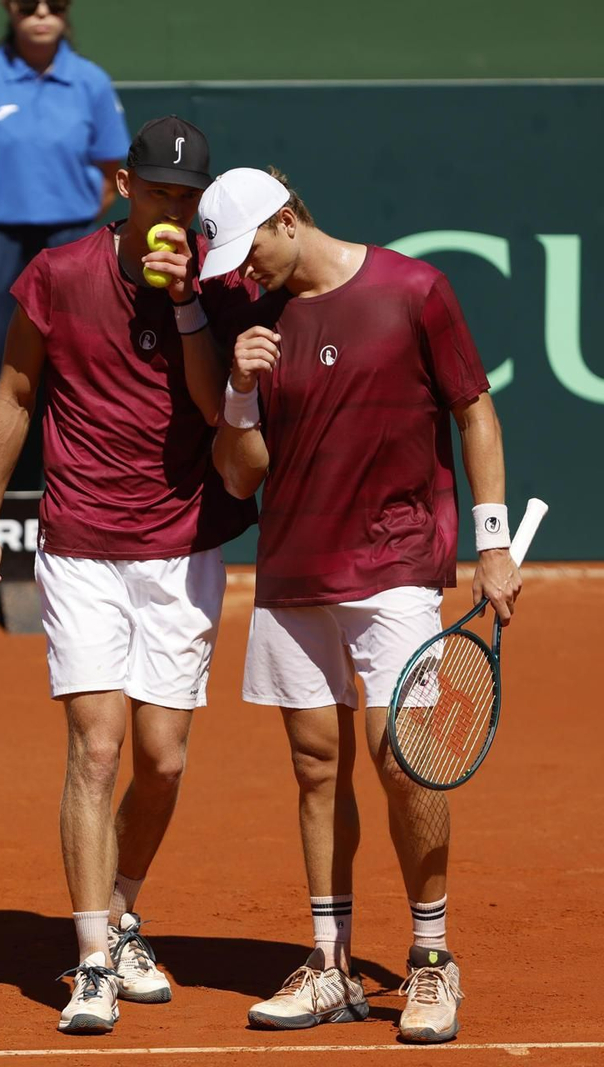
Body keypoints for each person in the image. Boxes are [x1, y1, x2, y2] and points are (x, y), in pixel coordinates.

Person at [201, 166, 521, 1044]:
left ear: (287, 217)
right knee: (314, 766)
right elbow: (240, 475)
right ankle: (332, 962)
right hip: (292, 576)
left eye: (249, 249)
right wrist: (237, 393)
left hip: (393, 571)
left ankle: (429, 960)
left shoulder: (415, 289)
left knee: (403, 761)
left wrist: (491, 541)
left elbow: (475, 410)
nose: (242, 272)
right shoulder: (254, 325)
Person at [0, 116, 257, 1035]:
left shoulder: (218, 282)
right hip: (80, 541)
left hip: (182, 543)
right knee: (96, 746)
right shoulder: (56, 278)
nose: (174, 206)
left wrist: (188, 303)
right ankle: (92, 958)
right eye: (160, 190)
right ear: (126, 185)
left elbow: (216, 409)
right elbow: (13, 393)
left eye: (188, 195)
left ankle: (122, 912)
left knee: (162, 758)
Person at [0, 0, 128, 597]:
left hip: (68, 239)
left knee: (84, 388)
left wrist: (64, 223)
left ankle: (97, 536)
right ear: (9, 9)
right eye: (26, 2)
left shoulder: (90, 82)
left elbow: (111, 172)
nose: (40, 11)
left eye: (55, 2)